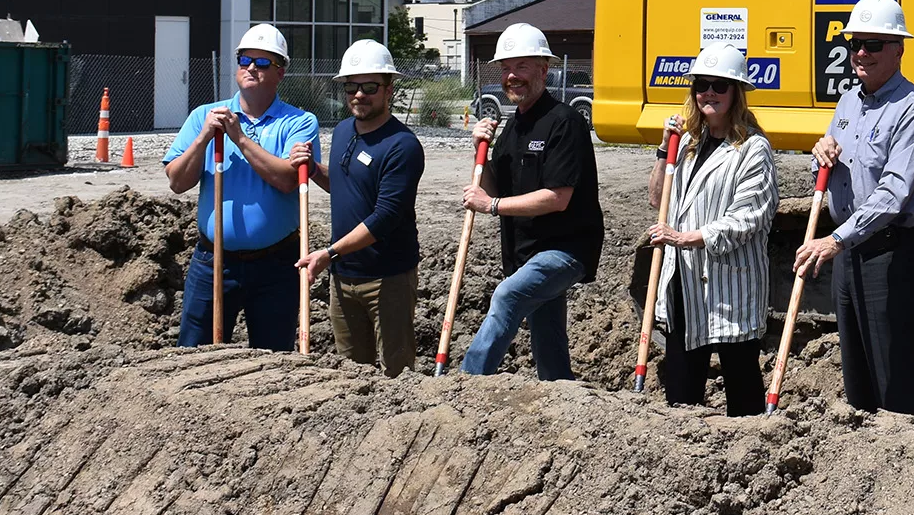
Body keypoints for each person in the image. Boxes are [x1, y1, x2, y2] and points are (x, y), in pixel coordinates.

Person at [795, 0, 914, 421]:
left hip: (888, 252)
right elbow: (833, 164)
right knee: (856, 371)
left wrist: (835, 240)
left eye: (874, 44)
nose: (861, 52)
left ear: (899, 49)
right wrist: (820, 151)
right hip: (849, 249)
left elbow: (892, 195)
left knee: (892, 372)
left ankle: (908, 459)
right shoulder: (848, 101)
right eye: (856, 42)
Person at [460, 23, 605, 381]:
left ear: (544, 69)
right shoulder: (513, 127)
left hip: (565, 250)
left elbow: (557, 198)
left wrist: (490, 207)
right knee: (547, 331)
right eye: (506, 68)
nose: (512, 76)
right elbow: (494, 190)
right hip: (525, 251)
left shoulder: (564, 123)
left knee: (507, 296)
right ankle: (562, 393)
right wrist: (480, 152)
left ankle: (465, 382)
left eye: (522, 66)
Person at [163, 24, 319, 349]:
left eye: (263, 63)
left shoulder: (299, 122)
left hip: (276, 263)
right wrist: (205, 137)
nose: (251, 68)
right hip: (214, 259)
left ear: (280, 72)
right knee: (194, 352)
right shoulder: (205, 116)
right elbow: (178, 182)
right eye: (245, 60)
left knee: (274, 356)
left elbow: (288, 180)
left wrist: (240, 139)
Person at [646, 44, 778, 416]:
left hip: (728, 285)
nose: (709, 93)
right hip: (684, 283)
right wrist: (663, 152)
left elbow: (748, 218)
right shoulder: (687, 144)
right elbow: (659, 201)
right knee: (681, 391)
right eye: (702, 85)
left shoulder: (753, 148)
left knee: (741, 382)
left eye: (720, 85)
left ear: (736, 92)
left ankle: (750, 451)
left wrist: (685, 238)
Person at [290, 40, 427, 378]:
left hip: (388, 279)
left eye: (369, 87)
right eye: (352, 86)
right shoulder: (342, 132)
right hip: (343, 278)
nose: (359, 95)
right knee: (351, 374)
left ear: (388, 89)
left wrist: (329, 253)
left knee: (397, 373)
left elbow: (384, 218)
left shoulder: (403, 146)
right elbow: (345, 184)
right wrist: (313, 168)